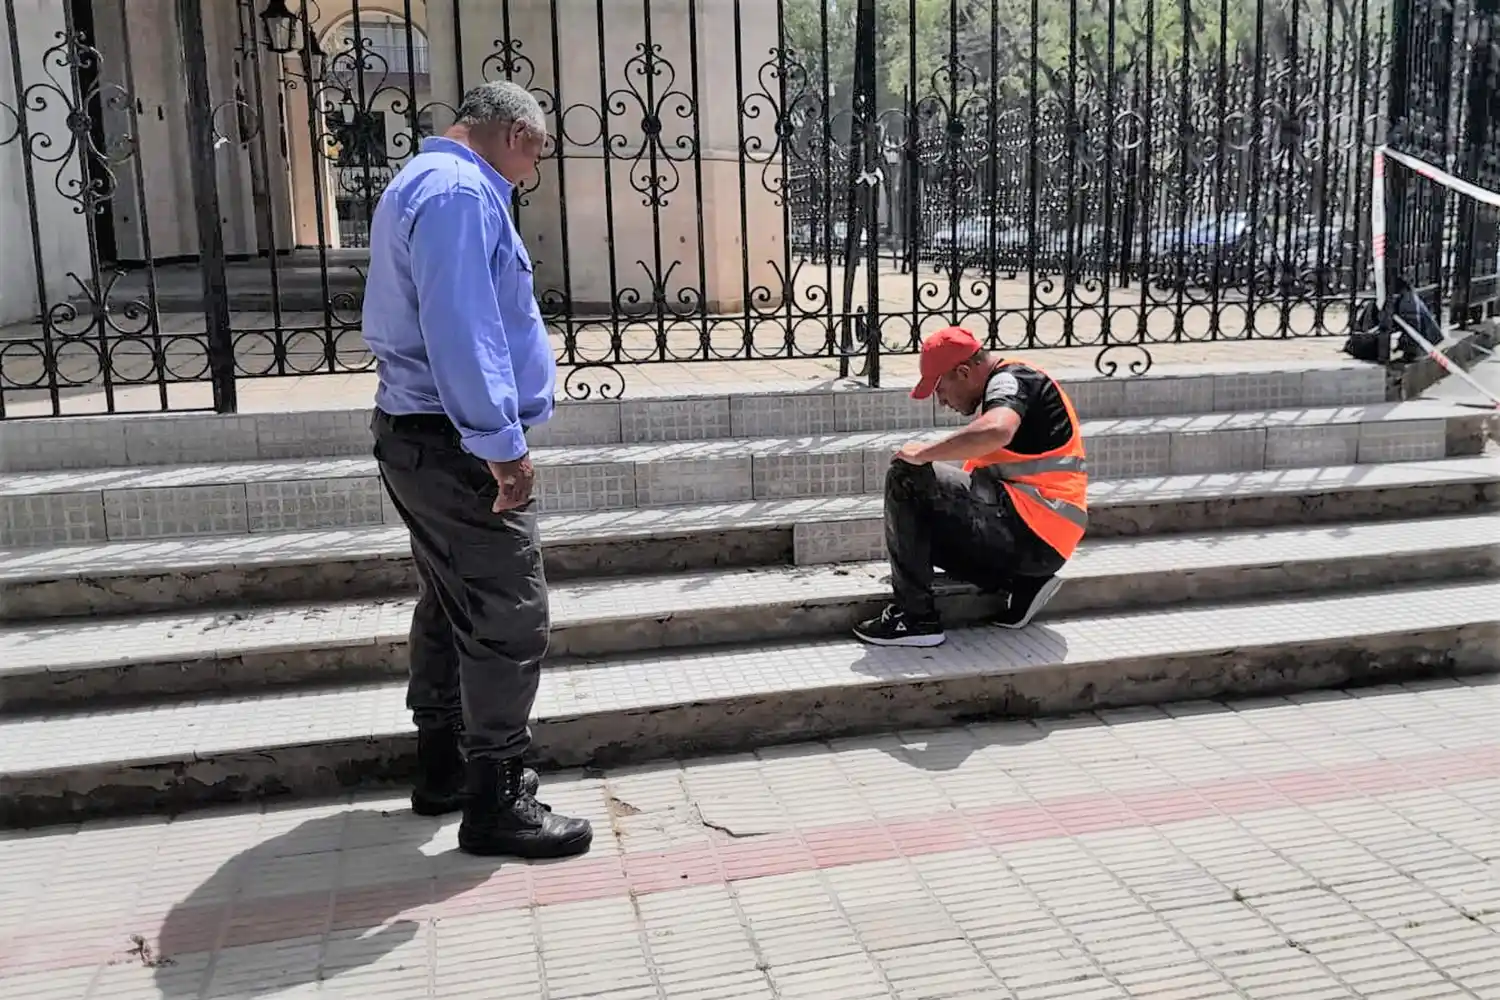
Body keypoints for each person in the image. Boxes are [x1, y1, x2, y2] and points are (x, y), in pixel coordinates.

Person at [361, 81, 591, 859]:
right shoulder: (459, 192)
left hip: (421, 432)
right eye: (538, 154)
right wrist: (501, 444)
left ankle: (445, 765)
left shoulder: (423, 181)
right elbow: (462, 327)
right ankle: (496, 797)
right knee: (508, 613)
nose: (533, 172)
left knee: (450, 599)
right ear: (518, 135)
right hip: (454, 442)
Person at [853, 326, 1088, 648]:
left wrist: (924, 453)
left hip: (1032, 532)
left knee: (906, 474)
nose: (941, 401)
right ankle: (1021, 583)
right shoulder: (1007, 386)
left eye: (940, 389)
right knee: (913, 532)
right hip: (1040, 544)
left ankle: (915, 619)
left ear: (963, 372)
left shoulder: (1012, 380)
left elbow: (997, 430)